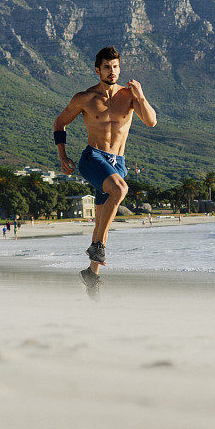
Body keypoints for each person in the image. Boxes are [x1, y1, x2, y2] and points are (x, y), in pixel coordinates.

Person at [53, 46, 157, 292]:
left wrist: (140, 96)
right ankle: (97, 245)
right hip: (93, 157)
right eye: (107, 67)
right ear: (97, 70)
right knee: (121, 190)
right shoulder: (85, 98)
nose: (113, 71)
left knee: (102, 218)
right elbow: (60, 122)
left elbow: (151, 122)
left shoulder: (129, 96)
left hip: (117, 162)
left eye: (116, 67)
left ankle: (91, 275)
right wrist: (63, 156)